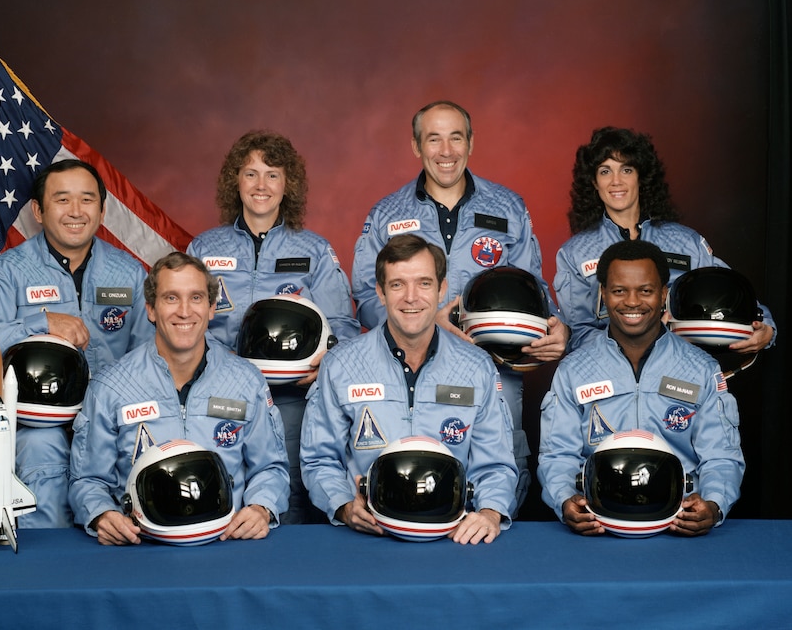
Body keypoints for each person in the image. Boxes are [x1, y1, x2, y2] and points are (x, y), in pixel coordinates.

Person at [351, 100, 567, 514]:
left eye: (456, 137)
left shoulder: (509, 208)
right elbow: (365, 297)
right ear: (416, 146)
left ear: (471, 143)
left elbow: (535, 290)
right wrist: (423, 322)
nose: (446, 150)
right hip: (407, 370)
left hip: (496, 369)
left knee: (496, 482)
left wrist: (556, 328)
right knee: (417, 481)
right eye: (434, 138)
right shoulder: (386, 214)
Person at [0, 159, 152, 528]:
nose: (76, 212)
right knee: (41, 454)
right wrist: (40, 322)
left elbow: (150, 357)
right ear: (38, 211)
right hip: (39, 428)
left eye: (87, 200)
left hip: (112, 425)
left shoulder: (128, 272)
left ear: (103, 209)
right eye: (62, 200)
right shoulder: (8, 272)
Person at [187, 130, 359, 524]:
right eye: (250, 174)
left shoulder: (314, 250)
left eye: (273, 175)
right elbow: (182, 319)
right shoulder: (204, 249)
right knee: (220, 493)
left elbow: (343, 327)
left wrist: (324, 365)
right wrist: (218, 363)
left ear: (288, 185)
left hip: (291, 401)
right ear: (235, 180)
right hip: (219, 396)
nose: (261, 185)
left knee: (293, 497)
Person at [302, 234, 518, 544]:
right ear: (380, 292)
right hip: (368, 537)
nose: (411, 297)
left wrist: (489, 513)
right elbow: (318, 458)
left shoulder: (476, 368)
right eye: (397, 284)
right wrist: (344, 505)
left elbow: (496, 464)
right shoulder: (341, 365)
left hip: (454, 537)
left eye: (424, 283)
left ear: (442, 289)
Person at [68, 252, 289, 545]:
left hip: (227, 543)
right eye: (171, 298)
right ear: (150, 309)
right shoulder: (111, 386)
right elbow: (87, 480)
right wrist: (100, 514)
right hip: (142, 547)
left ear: (212, 308)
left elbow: (271, 468)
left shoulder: (246, 381)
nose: (184, 311)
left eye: (196, 298)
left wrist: (262, 507)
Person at [538, 239, 744, 536]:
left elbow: (721, 455)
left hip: (678, 523)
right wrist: (563, 500)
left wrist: (713, 503)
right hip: (599, 524)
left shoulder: (701, 368)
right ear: (603, 294)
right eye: (619, 290)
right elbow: (558, 455)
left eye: (645, 291)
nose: (632, 302)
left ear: (664, 295)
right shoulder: (574, 370)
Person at [555, 125, 776, 352]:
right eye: (605, 171)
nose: (616, 181)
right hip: (609, 376)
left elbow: (729, 293)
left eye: (626, 170)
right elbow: (577, 334)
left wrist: (765, 326)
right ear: (593, 182)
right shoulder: (575, 253)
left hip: (680, 367)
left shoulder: (685, 242)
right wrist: (634, 341)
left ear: (641, 176)